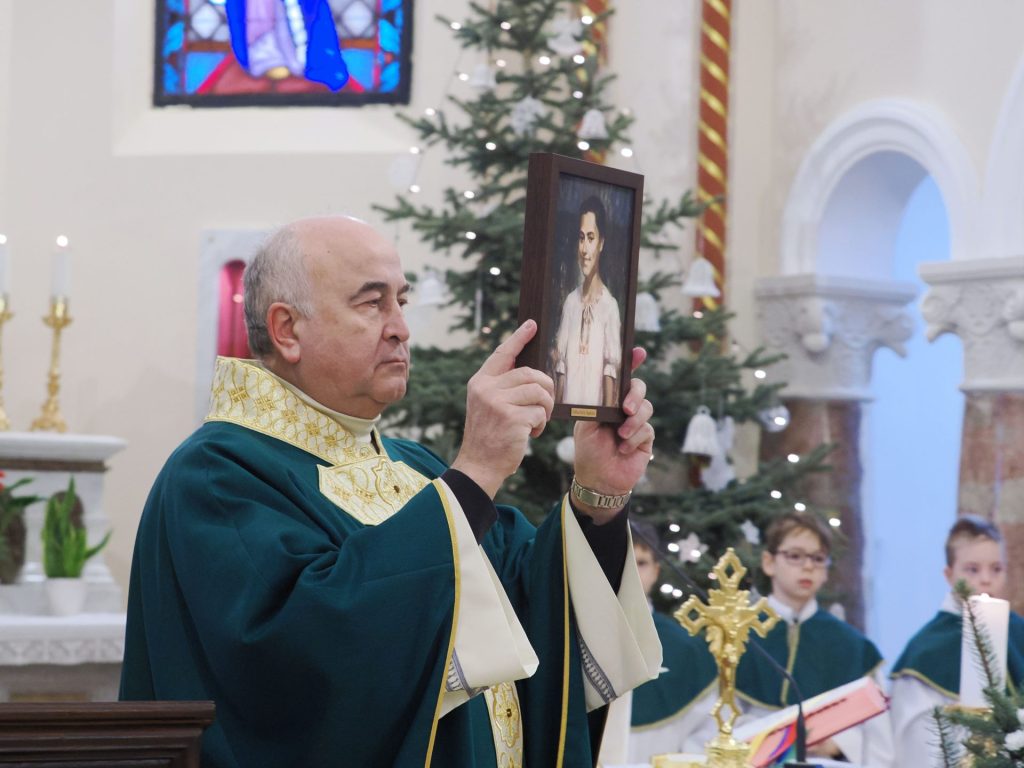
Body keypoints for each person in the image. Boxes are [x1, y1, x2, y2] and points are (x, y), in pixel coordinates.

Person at [119, 216, 661, 768]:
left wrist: (597, 494)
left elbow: (527, 602)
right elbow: (307, 659)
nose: (401, 328)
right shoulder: (216, 475)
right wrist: (475, 471)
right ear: (287, 330)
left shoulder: (415, 467)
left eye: (401, 301)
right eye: (372, 303)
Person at [735, 512, 893, 767]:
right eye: (795, 556)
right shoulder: (739, 634)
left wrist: (836, 743)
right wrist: (774, 739)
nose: (808, 566)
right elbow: (718, 719)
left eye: (818, 558)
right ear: (769, 562)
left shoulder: (852, 646)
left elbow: (878, 740)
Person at [890, 516, 1024, 768]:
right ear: (949, 575)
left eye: (996, 569)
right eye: (972, 569)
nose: (986, 579)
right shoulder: (927, 650)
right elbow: (918, 745)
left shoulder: (1019, 631)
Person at [622, 520, 719, 764]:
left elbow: (706, 731)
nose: (630, 570)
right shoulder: (571, 639)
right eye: (621, 558)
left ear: (656, 571)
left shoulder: (686, 648)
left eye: (641, 563)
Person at [553, 195, 623, 408]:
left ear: (601, 243)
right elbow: (561, 370)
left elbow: (610, 370)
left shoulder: (609, 307)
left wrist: (605, 418)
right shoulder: (571, 303)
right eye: (581, 238)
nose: (584, 249)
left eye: (591, 238)